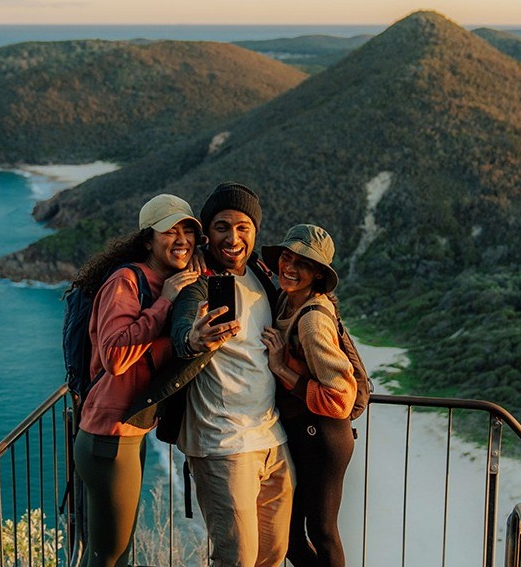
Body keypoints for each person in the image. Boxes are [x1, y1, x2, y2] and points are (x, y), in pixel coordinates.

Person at [124, 182, 295, 567]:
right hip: (223, 443)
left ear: (254, 231)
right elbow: (184, 330)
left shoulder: (261, 276)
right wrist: (194, 338)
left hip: (272, 437)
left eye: (242, 227)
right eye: (221, 227)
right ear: (207, 233)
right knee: (236, 559)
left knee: (273, 554)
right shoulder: (197, 283)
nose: (232, 238)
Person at [71, 193, 201, 567]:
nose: (181, 240)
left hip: (127, 434)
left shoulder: (165, 281)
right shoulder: (127, 281)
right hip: (107, 438)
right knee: (107, 556)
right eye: (169, 231)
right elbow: (114, 357)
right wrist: (165, 302)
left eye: (188, 231)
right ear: (148, 239)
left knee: (118, 551)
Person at [260, 224, 358, 567]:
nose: (289, 266)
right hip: (305, 433)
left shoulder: (312, 322)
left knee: (322, 531)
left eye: (302, 263)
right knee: (288, 534)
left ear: (317, 273)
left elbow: (341, 398)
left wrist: (280, 368)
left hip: (325, 435)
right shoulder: (288, 298)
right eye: (287, 256)